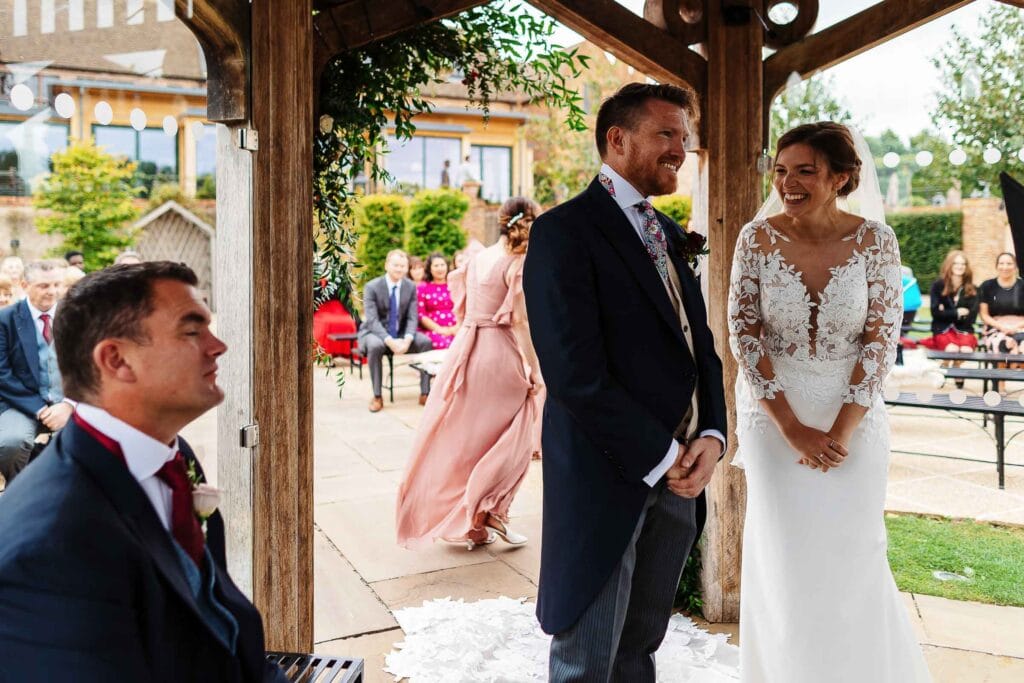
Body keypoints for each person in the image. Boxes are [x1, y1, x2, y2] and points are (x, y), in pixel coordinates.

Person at [524, 83, 727, 682]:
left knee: (639, 649)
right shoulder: (565, 232)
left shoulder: (666, 232)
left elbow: (701, 349)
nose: (680, 150)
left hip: (682, 479)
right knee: (587, 657)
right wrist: (663, 454)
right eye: (667, 134)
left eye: (684, 139)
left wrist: (711, 434)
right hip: (606, 475)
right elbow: (573, 375)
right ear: (618, 139)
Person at [0, 262, 288, 681]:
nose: (218, 345)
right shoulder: (49, 545)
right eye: (192, 331)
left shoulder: (174, 455)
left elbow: (216, 615)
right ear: (116, 359)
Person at [728, 121, 931, 682]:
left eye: (804, 170)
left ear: (842, 177)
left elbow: (881, 338)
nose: (787, 182)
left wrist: (840, 431)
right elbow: (745, 334)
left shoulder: (875, 241)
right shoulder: (756, 238)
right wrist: (792, 428)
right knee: (784, 554)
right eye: (781, 169)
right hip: (774, 420)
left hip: (854, 419)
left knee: (853, 548)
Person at [396, 197, 543, 550]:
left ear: (500, 220)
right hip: (498, 355)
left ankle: (475, 520)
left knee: (470, 440)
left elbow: (465, 311)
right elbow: (520, 321)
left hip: (465, 351)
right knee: (518, 435)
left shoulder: (477, 260)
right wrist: (535, 369)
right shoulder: (518, 261)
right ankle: (493, 511)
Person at [0, 261, 73, 484]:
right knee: (10, 443)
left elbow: (89, 365)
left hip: (69, 400)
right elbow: (2, 373)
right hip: (21, 403)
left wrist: (70, 403)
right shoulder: (6, 319)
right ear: (24, 285)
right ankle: (23, 493)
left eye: (56, 284)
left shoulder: (75, 315)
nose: (52, 291)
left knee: (94, 440)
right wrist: (40, 409)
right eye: (43, 285)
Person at [357, 249, 433, 411]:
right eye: (395, 265)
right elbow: (372, 320)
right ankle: (377, 396)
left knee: (425, 342)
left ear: (407, 268)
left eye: (403, 266)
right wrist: (389, 341)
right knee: (375, 345)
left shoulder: (410, 286)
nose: (399, 269)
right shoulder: (372, 287)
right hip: (374, 333)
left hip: (401, 333)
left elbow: (413, 317)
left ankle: (425, 393)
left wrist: (407, 339)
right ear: (386, 266)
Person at [918, 251, 979, 386]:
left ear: (966, 267)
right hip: (942, 330)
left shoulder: (973, 289)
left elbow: (971, 318)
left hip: (964, 330)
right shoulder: (938, 286)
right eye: (956, 263)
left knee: (965, 351)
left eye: (963, 264)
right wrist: (958, 312)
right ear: (949, 265)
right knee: (951, 349)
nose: (960, 266)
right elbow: (935, 313)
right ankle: (951, 373)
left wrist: (945, 312)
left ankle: (949, 368)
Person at [978, 252, 1024, 354]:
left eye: (1009, 263)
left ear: (1015, 266)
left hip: (1021, 328)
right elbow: (984, 314)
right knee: (1003, 345)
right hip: (996, 329)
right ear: (996, 266)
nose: (1005, 267)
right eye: (1001, 263)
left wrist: (1016, 327)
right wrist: (1001, 326)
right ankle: (1003, 370)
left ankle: (1018, 370)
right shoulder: (987, 286)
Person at [416, 252, 459, 350]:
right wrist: (440, 330)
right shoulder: (423, 288)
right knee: (444, 344)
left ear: (447, 267)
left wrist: (456, 328)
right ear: (430, 269)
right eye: (436, 266)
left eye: (442, 265)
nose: (440, 268)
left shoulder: (455, 286)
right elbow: (421, 315)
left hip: (456, 328)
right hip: (434, 330)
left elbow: (463, 309)